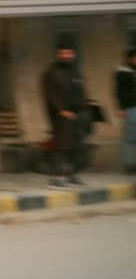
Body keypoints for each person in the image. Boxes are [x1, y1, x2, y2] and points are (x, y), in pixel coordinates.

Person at [41, 46, 86, 188]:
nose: (66, 55)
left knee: (75, 147)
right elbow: (50, 94)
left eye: (69, 52)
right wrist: (61, 110)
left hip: (76, 115)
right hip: (60, 116)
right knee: (62, 147)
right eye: (63, 53)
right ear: (59, 54)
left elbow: (80, 91)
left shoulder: (75, 71)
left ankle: (71, 176)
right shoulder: (51, 72)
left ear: (73, 54)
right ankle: (57, 179)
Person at [115, 48, 136, 175]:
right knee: (130, 137)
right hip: (130, 107)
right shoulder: (123, 72)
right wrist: (121, 108)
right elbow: (119, 92)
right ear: (129, 58)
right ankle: (129, 165)